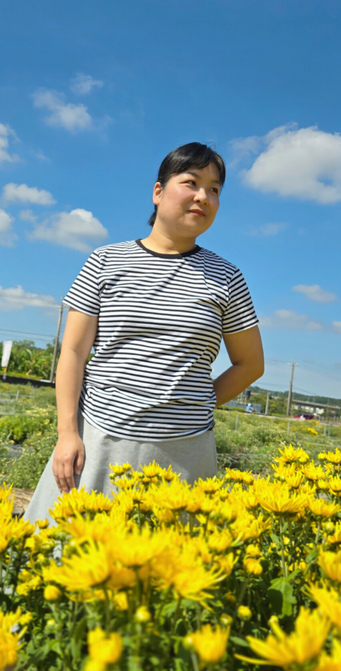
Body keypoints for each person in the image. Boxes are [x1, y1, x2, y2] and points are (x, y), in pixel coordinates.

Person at [25, 143, 264, 524]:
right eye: (191, 182)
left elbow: (250, 364)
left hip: (185, 453)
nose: (204, 196)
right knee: (68, 565)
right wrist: (67, 433)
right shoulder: (105, 261)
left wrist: (195, 403)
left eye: (215, 189)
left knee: (168, 576)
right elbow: (71, 353)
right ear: (158, 192)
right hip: (98, 440)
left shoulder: (227, 278)